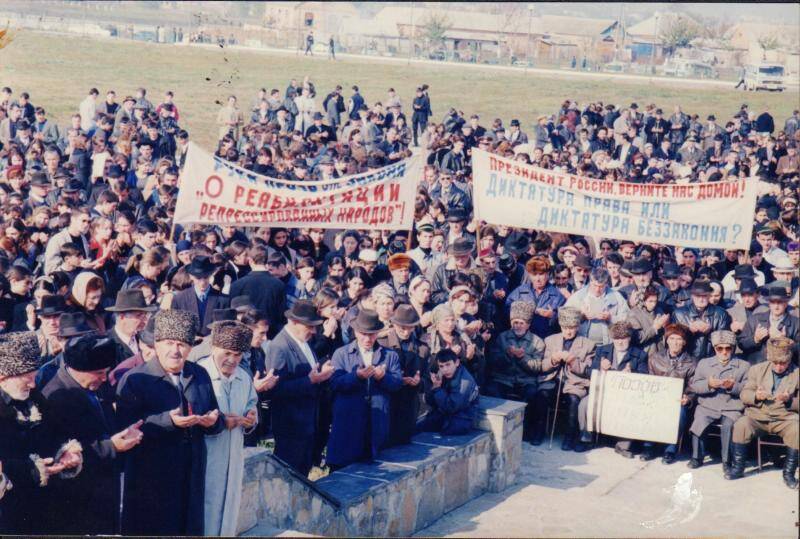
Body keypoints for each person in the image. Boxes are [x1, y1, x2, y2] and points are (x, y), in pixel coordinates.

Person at [116, 310, 224, 535]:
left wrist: (212, 422)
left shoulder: (199, 375)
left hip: (191, 474)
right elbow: (124, 430)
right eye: (168, 343)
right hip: (152, 478)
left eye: (182, 344)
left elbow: (216, 415)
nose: (175, 351)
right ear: (156, 344)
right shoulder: (136, 380)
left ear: (191, 347)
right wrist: (169, 422)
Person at [40, 335, 144, 535]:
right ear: (77, 369)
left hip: (103, 494)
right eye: (98, 373)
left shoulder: (95, 384)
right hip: (77, 502)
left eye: (106, 372)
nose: (105, 378)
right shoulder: (56, 397)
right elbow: (62, 453)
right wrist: (112, 446)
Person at [0, 331, 84, 534]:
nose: (33, 384)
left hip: (42, 509)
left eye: (34, 376)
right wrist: (31, 470)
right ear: (3, 377)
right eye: (27, 378)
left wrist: (66, 452)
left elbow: (56, 432)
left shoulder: (35, 398)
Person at [198, 321, 259, 536]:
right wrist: (220, 422)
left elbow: (252, 403)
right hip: (207, 458)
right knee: (206, 510)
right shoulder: (198, 375)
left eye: (238, 355)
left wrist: (252, 417)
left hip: (234, 458)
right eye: (227, 353)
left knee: (229, 510)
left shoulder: (244, 377)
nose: (233, 360)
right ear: (214, 348)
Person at [326, 309, 402, 470]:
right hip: (349, 421)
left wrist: (383, 377)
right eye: (363, 334)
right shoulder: (341, 354)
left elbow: (397, 384)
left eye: (372, 334)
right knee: (343, 468)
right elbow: (334, 383)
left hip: (376, 421)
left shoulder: (389, 355)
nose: (368, 339)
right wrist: (356, 376)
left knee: (374, 469)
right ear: (355, 331)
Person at [263, 300, 331, 476]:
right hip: (290, 429)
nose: (314, 331)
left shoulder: (304, 341)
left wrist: (321, 375)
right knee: (288, 479)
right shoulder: (279, 347)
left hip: (307, 425)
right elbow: (275, 390)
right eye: (310, 326)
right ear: (293, 322)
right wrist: (310, 381)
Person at [729, 337, 798, 488]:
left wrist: (789, 400)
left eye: (783, 363)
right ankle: (738, 468)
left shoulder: (797, 373)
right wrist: (755, 396)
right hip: (758, 416)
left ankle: (788, 474)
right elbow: (744, 394)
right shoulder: (756, 370)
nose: (779, 367)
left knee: (797, 430)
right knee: (741, 424)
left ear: (789, 360)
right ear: (769, 358)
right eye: (775, 363)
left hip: (784, 419)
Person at [576, 321, 648, 457]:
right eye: (617, 339)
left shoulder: (640, 355)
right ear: (612, 339)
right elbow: (590, 372)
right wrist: (600, 368)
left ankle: (623, 446)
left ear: (629, 338)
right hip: (603, 392)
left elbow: (644, 378)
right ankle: (586, 439)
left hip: (627, 395)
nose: (620, 342)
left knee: (633, 408)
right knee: (584, 404)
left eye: (624, 339)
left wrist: (632, 376)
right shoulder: (602, 350)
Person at [687, 330, 750, 474]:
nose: (724, 352)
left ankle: (726, 461)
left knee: (728, 426)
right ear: (714, 348)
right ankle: (697, 457)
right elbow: (695, 386)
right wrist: (709, 385)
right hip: (708, 404)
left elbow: (748, 390)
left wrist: (733, 387)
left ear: (733, 349)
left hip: (732, 407)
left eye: (728, 348)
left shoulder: (743, 366)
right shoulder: (704, 363)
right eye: (719, 348)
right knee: (699, 421)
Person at [487, 300, 547, 443]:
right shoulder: (502, 337)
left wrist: (522, 358)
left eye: (521, 323)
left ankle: (528, 433)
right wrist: (507, 355)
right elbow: (494, 361)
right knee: (492, 392)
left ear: (528, 324)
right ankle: (495, 432)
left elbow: (537, 366)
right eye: (515, 322)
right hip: (503, 378)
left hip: (526, 380)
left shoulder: (537, 342)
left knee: (534, 396)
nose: (518, 326)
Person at [544, 307, 596, 451]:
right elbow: (542, 366)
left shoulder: (588, 344)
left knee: (573, 400)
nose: (568, 331)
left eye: (572, 328)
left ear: (578, 326)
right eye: (565, 327)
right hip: (552, 379)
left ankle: (570, 436)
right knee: (542, 394)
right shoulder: (550, 340)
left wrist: (574, 361)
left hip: (575, 382)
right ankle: (537, 431)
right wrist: (553, 360)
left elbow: (588, 371)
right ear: (560, 326)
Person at [643, 323, 696, 463]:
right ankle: (649, 446)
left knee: (680, 413)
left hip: (677, 400)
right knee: (649, 408)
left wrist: (688, 398)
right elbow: (649, 380)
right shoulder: (655, 358)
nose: (675, 343)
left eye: (679, 339)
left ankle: (670, 450)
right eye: (672, 338)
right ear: (666, 340)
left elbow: (692, 387)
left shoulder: (692, 363)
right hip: (657, 397)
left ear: (684, 342)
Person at [378, 304, 428, 446]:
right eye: (402, 328)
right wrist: (395, 379)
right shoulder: (381, 344)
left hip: (409, 407)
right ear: (393, 324)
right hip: (387, 404)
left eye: (410, 328)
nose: (406, 332)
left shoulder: (422, 348)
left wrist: (418, 382)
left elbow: (429, 380)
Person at [230, 245, 287, 338]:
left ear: (250, 260)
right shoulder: (279, 285)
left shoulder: (237, 285)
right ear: (267, 261)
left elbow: (232, 315)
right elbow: (281, 316)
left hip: (244, 337)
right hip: (270, 336)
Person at [419, 348, 480, 435]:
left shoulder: (465, 381)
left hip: (461, 419)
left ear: (457, 363)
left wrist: (437, 389)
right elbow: (430, 402)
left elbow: (452, 407)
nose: (445, 370)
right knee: (416, 429)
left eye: (448, 365)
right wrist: (432, 387)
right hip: (443, 414)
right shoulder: (441, 374)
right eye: (441, 366)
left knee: (441, 437)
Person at [171, 256, 230, 336]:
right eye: (198, 278)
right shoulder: (179, 299)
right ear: (191, 276)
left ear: (211, 275)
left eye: (205, 277)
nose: (202, 283)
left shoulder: (223, 300)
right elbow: (174, 327)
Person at [738, 286, 798, 364]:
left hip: (784, 367)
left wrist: (784, 342)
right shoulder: (754, 319)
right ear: (769, 303)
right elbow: (741, 344)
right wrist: (755, 339)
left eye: (780, 302)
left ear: (786, 304)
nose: (776, 306)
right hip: (758, 366)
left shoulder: (796, 323)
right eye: (773, 302)